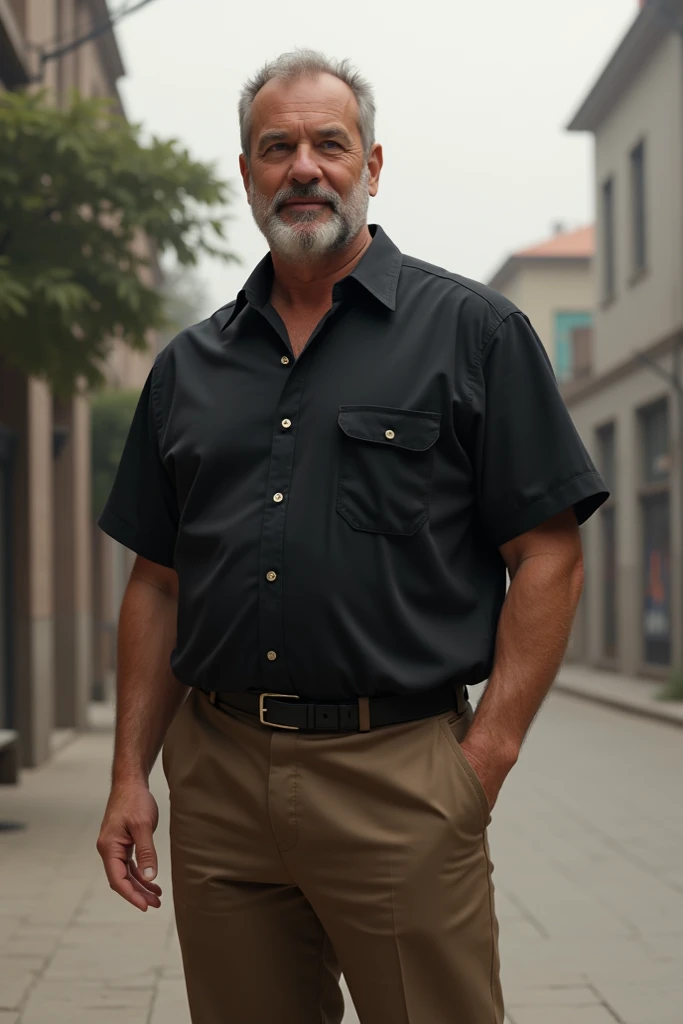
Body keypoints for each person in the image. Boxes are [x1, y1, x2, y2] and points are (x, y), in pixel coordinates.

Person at [96, 49, 608, 1024]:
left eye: (328, 144)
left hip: (399, 771)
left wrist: (483, 757)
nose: (303, 167)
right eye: (275, 147)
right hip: (219, 775)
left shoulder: (474, 335)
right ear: (244, 173)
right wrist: (129, 776)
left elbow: (546, 553)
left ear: (370, 165)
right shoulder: (186, 367)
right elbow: (156, 583)